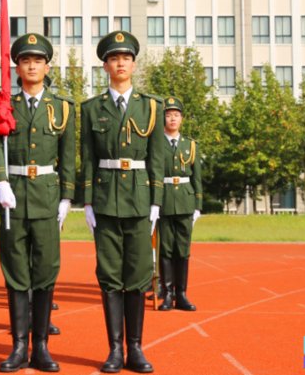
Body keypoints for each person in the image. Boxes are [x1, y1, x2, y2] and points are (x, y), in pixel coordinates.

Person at [78, 31, 165, 374]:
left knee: (139, 275)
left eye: (126, 58)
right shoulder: (91, 108)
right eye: (114, 59)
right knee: (110, 275)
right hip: (105, 198)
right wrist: (86, 202)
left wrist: (156, 202)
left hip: (141, 200)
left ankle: (136, 348)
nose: (120, 64)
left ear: (133, 64)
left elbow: (157, 159)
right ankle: (115, 349)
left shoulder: (151, 107)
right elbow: (86, 158)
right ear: (105, 66)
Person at [0, 33, 75, 373]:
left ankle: (40, 346)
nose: (32, 65)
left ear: (46, 66)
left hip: (46, 198)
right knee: (16, 274)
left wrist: (67, 196)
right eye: (25, 60)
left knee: (45, 273)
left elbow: (68, 156)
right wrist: (0, 181)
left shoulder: (63, 108)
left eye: (37, 60)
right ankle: (18, 346)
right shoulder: (3, 105)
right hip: (13, 199)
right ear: (18, 67)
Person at [156, 96, 202, 312]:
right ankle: (167, 293)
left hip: (185, 200)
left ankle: (181, 294)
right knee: (165, 249)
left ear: (182, 119)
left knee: (182, 250)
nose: (172, 119)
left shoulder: (190, 145)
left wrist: (198, 205)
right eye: (168, 115)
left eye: (176, 115)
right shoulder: (155, 144)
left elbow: (197, 178)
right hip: (164, 200)